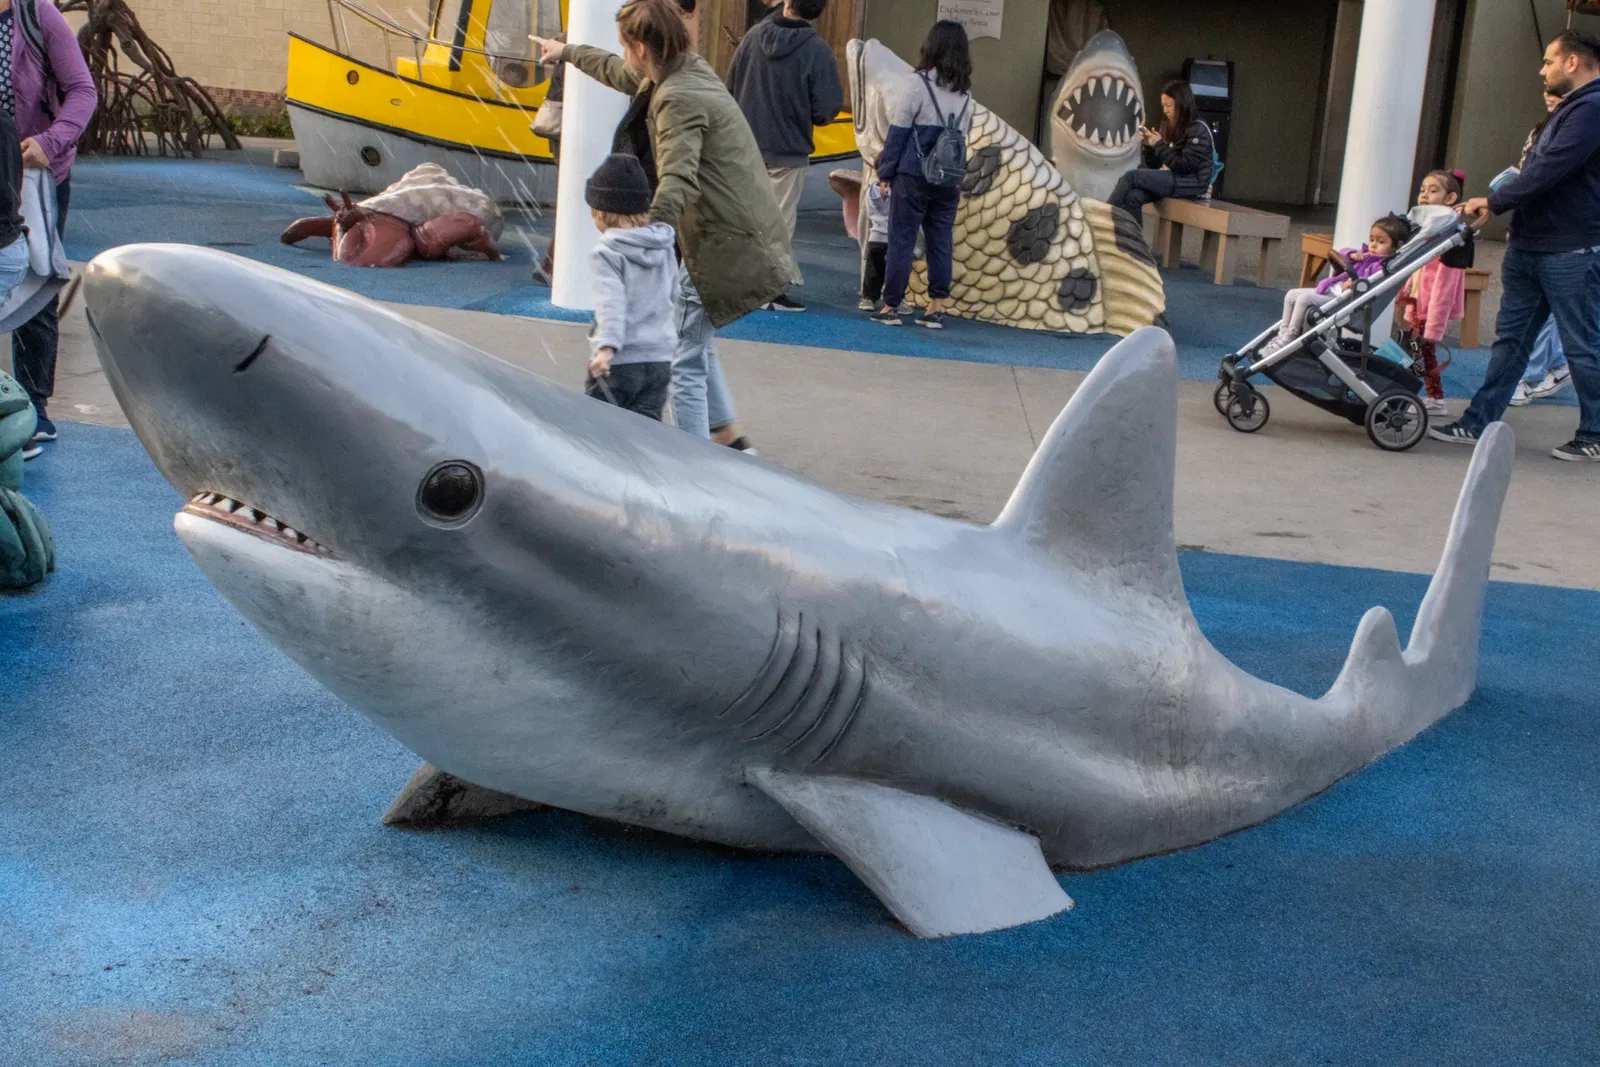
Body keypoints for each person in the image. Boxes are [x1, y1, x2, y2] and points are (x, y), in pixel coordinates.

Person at [533, 0, 791, 450]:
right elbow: (618, 72)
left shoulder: (677, 97)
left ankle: (692, 466)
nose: (624, 56)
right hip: (737, 234)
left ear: (639, 46)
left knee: (683, 359)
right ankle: (730, 437)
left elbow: (677, 178)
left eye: (624, 47)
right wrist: (567, 51)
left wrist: (647, 236)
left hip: (722, 241)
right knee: (694, 337)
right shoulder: (682, 71)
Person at [1432, 30, 1600, 462]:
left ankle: (1595, 433)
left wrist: (1496, 200)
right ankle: (1477, 421)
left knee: (1582, 344)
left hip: (1570, 249)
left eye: (1548, 61)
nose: (1541, 69)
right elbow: (1537, 170)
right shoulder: (1572, 110)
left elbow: (1551, 171)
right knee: (1512, 341)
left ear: (1573, 63)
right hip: (1532, 244)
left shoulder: (1591, 109)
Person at [4, 0, 97, 458]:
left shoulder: (36, 14)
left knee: (37, 278)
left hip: (35, 174)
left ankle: (34, 405)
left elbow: (83, 89)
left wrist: (50, 141)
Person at [726, 0, 843, 312]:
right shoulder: (817, 51)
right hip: (788, 150)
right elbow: (826, 108)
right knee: (778, 225)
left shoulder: (752, 37)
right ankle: (768, 292)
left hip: (747, 145)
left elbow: (731, 87)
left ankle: (739, 285)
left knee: (747, 218)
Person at [871, 19, 972, 329]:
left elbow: (898, 134)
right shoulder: (966, 95)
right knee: (940, 240)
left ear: (931, 47)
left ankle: (891, 305)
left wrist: (885, 172)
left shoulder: (917, 85)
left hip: (913, 176)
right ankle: (936, 307)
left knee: (901, 239)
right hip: (948, 182)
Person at [581, 154, 679, 420]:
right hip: (660, 360)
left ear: (600, 213)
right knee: (644, 437)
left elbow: (611, 303)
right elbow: (673, 294)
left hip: (620, 363)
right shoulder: (664, 244)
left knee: (598, 432)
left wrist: (607, 348)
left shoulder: (606, 253)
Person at [1508, 90, 1573, 406]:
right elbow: (1527, 175)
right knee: (1550, 309)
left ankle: (1529, 376)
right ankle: (1558, 364)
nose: (1548, 94)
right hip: (1536, 229)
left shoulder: (1582, 127)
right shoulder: (1541, 129)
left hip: (1564, 236)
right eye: (1547, 91)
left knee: (1548, 309)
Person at [1262, 214, 1408, 355]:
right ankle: (1283, 333)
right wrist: (1351, 255)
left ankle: (1290, 336)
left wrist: (1353, 283)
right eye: (1372, 240)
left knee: (1304, 299)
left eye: (1381, 242)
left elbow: (1371, 282)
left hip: (1344, 300)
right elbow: (1342, 252)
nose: (1374, 245)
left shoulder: (1380, 266)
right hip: (1333, 291)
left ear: (1396, 247)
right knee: (1291, 294)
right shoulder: (1365, 255)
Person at [1397, 169, 1467, 416]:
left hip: (1431, 307)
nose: (1425, 195)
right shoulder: (1427, 227)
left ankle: (1433, 398)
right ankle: (1425, 394)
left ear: (1450, 199)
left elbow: (1445, 286)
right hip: (1420, 302)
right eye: (1422, 190)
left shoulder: (1450, 235)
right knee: (1417, 350)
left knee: (1423, 351)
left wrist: (1434, 327)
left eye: (1433, 190)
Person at [1107, 80, 1215, 220]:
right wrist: (1149, 146)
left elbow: (1184, 165)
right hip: (1173, 179)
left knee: (1131, 176)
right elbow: (1156, 165)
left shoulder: (1198, 129)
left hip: (1192, 183)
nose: (1165, 110)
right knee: (1133, 196)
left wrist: (1159, 144)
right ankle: (1134, 240)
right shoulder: (1171, 126)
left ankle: (1104, 217)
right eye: (1163, 106)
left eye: (1169, 105)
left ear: (1182, 104)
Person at [857, 179, 889, 310]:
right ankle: (896, 300)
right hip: (894, 239)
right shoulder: (901, 189)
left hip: (875, 236)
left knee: (873, 269)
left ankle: (868, 298)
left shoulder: (871, 191)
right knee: (894, 271)